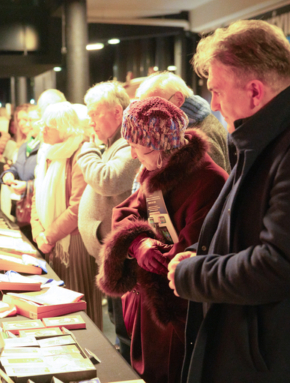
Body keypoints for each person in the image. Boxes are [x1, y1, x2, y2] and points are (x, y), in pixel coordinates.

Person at [165, 19, 290, 383]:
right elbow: (244, 229)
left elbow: (283, 266)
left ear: (255, 91)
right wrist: (199, 252)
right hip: (263, 356)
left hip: (289, 364)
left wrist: (194, 273)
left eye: (217, 91)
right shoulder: (268, 135)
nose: (213, 104)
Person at [96, 97, 227, 383]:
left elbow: (192, 251)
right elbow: (128, 212)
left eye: (137, 146)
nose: (132, 155)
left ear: (161, 145)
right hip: (146, 306)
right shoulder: (154, 168)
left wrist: (151, 255)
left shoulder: (210, 181)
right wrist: (138, 243)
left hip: (177, 310)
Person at [77, 81, 141, 359]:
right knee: (119, 325)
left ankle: (129, 373)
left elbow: (109, 180)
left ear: (117, 112)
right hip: (113, 254)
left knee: (126, 330)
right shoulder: (112, 143)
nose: (90, 121)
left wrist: (87, 150)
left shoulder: (128, 143)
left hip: (125, 255)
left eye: (95, 113)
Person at [30, 102, 102, 328]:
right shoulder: (47, 152)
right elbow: (36, 196)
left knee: (78, 309)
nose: (42, 129)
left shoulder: (81, 153)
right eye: (42, 124)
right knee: (56, 311)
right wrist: (38, 233)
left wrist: (48, 236)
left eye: (48, 125)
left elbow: (78, 207)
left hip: (74, 243)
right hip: (51, 242)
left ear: (64, 127)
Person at [137, 71, 230, 173]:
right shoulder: (190, 125)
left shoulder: (199, 137)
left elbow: (212, 180)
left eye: (154, 108)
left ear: (179, 99)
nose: (149, 118)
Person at [0, 105, 41, 242]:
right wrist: (8, 174)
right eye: (23, 120)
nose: (27, 124)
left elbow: (49, 181)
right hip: (23, 205)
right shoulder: (25, 145)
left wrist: (27, 186)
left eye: (31, 120)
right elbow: (17, 167)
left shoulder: (46, 146)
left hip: (38, 206)